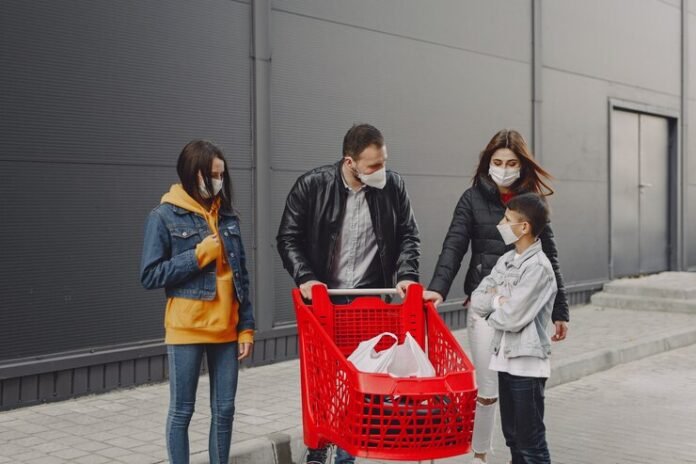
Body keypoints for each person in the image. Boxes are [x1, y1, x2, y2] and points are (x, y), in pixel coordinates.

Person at [276, 123, 420, 464]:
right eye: (372, 166)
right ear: (350, 162)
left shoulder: (393, 186)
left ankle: (347, 452)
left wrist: (408, 275)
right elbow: (288, 237)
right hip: (326, 300)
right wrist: (307, 278)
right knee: (324, 378)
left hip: (370, 297)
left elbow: (409, 236)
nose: (380, 171)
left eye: (383, 162)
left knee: (363, 376)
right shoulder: (312, 186)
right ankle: (319, 445)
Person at [423, 129, 568, 464]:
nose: (504, 168)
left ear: (522, 165)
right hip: (485, 307)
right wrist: (438, 288)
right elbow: (454, 245)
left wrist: (560, 310)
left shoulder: (531, 204)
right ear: (488, 163)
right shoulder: (472, 199)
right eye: (497, 162)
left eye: (511, 162)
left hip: (522, 312)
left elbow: (551, 256)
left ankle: (522, 454)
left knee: (521, 404)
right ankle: (480, 455)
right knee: (488, 391)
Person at [140, 140, 255, 464]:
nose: (217, 182)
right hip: (186, 328)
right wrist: (199, 255)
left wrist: (246, 327)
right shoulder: (162, 216)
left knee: (225, 410)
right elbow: (150, 275)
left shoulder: (228, 216)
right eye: (211, 175)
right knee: (182, 411)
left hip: (226, 330)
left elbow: (241, 276)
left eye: (221, 175)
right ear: (192, 175)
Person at [470, 193, 557, 464]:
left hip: (527, 366)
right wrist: (498, 300)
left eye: (507, 219)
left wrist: (494, 309)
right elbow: (477, 299)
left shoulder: (539, 268)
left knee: (530, 444)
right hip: (504, 361)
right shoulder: (506, 261)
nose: (501, 223)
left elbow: (513, 317)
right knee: (514, 440)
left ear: (524, 227)